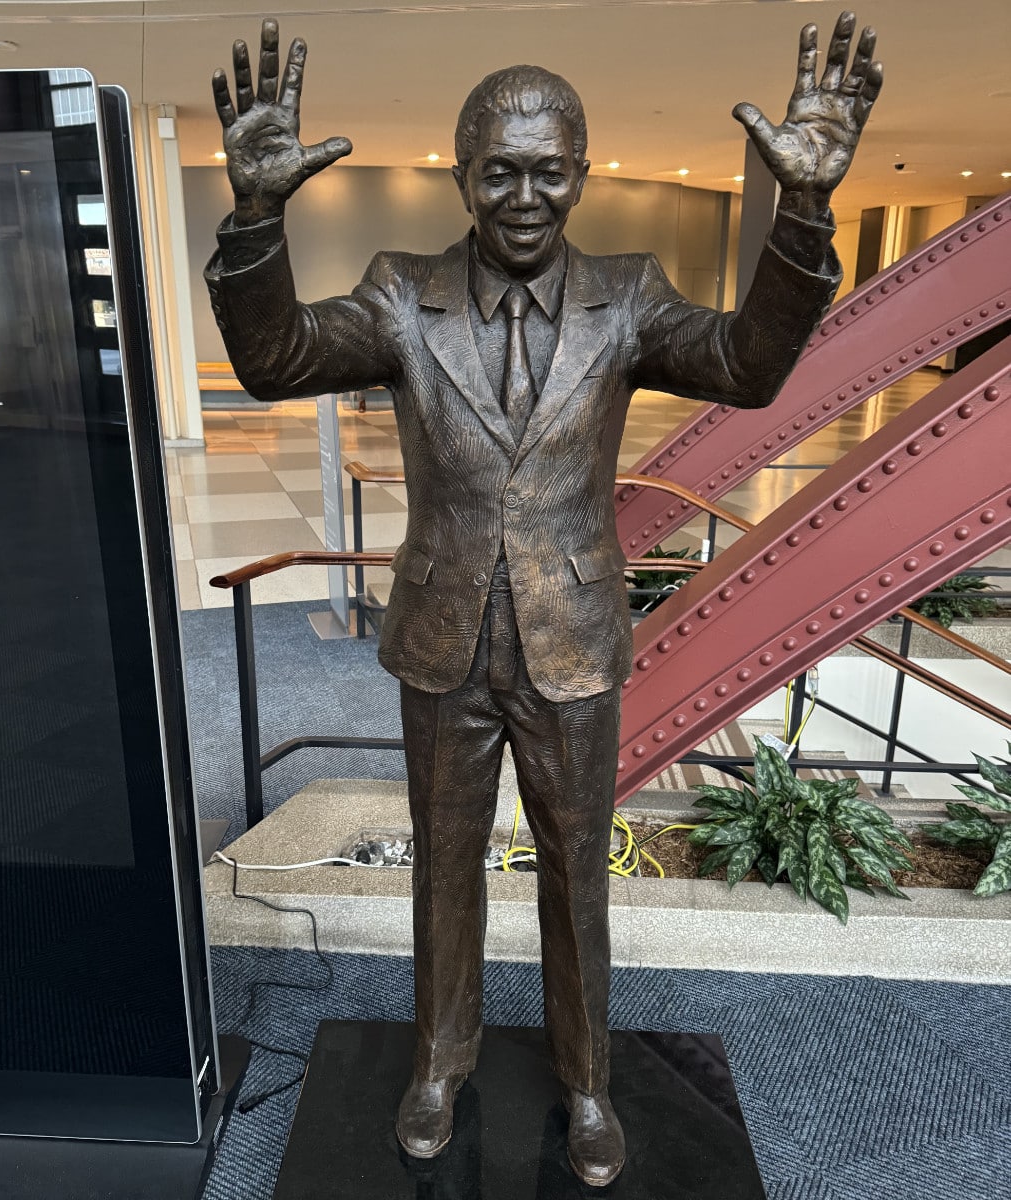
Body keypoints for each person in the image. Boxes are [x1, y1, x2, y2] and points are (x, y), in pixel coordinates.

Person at [204, 13, 880, 1185]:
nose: (525, 195)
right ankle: (437, 1061)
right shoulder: (402, 294)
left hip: (569, 641)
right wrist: (256, 221)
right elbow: (278, 360)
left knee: (574, 871)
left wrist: (805, 213)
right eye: (499, 170)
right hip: (444, 640)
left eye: (549, 169)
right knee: (444, 863)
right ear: (462, 175)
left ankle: (585, 1083)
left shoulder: (627, 296)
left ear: (582, 170)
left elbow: (747, 367)